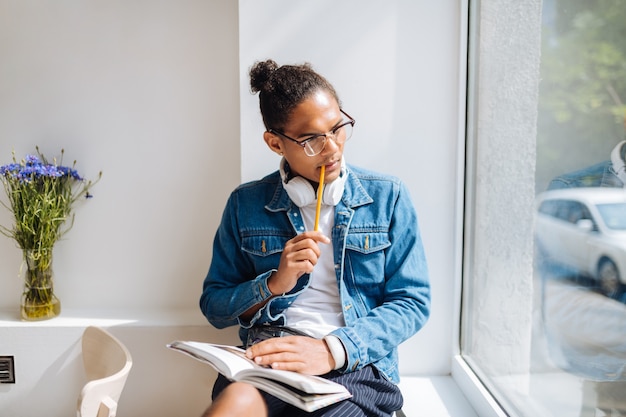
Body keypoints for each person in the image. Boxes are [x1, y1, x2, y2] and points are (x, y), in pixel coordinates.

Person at [199, 59, 431, 417]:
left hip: (354, 364)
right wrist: (275, 283)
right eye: (310, 140)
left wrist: (331, 349)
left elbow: (412, 302)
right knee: (233, 405)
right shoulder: (245, 204)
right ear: (275, 143)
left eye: (337, 128)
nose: (332, 149)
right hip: (269, 359)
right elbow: (214, 307)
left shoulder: (389, 197)